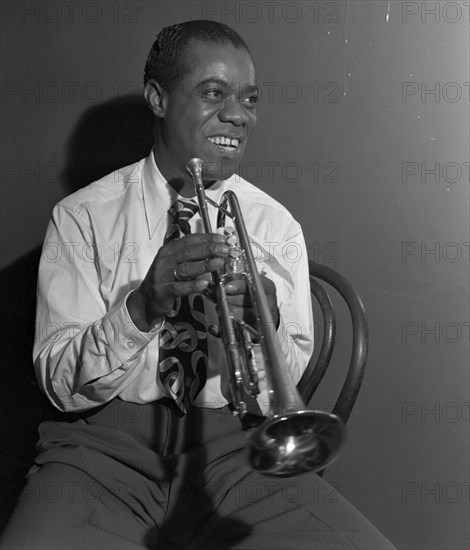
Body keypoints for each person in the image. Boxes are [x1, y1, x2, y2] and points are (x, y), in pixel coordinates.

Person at [0, 20, 396, 550]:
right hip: (101, 454)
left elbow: (292, 376)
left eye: (250, 99)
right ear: (158, 98)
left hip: (239, 455)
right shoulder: (82, 218)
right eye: (214, 93)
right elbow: (57, 382)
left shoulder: (274, 226)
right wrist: (140, 309)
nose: (238, 115)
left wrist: (266, 325)